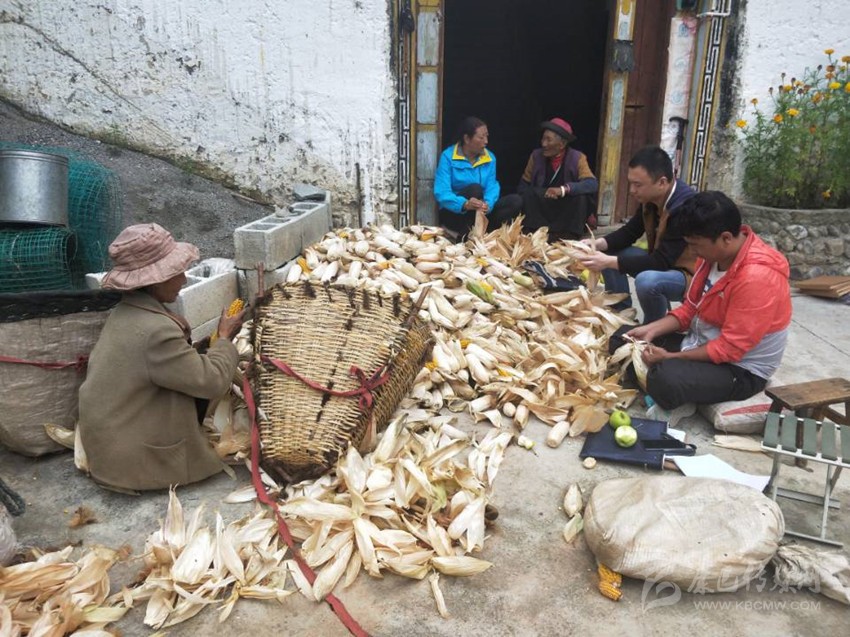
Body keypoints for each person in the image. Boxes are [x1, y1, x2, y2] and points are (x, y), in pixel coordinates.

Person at [79, 223, 245, 492]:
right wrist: (225, 339)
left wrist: (207, 346)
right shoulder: (156, 331)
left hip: (107, 448)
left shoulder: (125, 312)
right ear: (155, 280)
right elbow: (212, 381)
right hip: (129, 464)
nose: (183, 280)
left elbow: (169, 361)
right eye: (176, 273)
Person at [625, 191, 791, 413]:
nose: (693, 252)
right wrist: (650, 329)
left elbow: (729, 349)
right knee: (624, 339)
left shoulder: (756, 278)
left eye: (696, 245)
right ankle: (677, 387)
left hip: (739, 368)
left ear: (725, 238)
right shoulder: (711, 256)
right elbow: (690, 309)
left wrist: (671, 357)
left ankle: (677, 394)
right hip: (700, 342)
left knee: (665, 378)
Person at [578, 146, 696, 323]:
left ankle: (653, 328)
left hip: (687, 275)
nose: (632, 190)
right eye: (631, 183)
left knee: (646, 281)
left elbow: (662, 262)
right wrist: (597, 243)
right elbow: (630, 232)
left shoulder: (684, 207)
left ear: (662, 182)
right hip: (661, 262)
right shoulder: (650, 199)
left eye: (638, 185)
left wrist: (608, 262)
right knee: (609, 250)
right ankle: (621, 314)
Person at [434, 116, 522, 239]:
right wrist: (464, 204)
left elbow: (492, 186)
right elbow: (442, 192)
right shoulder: (448, 157)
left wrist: (488, 204)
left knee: (515, 201)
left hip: (480, 212)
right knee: (475, 189)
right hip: (455, 213)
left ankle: (485, 234)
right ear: (467, 139)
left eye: (487, 136)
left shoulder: (490, 158)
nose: (486, 141)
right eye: (481, 137)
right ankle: (464, 236)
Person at [517, 117, 599, 241]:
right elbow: (522, 186)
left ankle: (569, 235)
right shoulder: (536, 156)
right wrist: (541, 193)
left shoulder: (577, 158)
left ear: (562, 144)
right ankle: (535, 232)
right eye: (543, 139)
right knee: (528, 193)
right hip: (543, 205)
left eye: (548, 140)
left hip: (565, 208)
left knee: (581, 198)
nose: (543, 144)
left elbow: (592, 184)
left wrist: (563, 190)